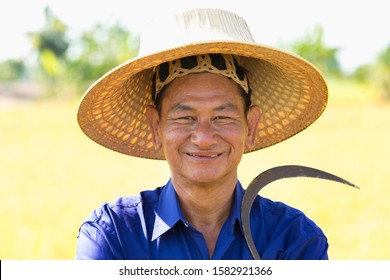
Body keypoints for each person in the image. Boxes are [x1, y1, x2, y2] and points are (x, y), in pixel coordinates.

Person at [75, 8, 329, 260]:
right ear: (156, 127)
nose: (204, 138)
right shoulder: (114, 235)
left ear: (250, 126)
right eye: (185, 118)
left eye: (222, 117)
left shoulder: (294, 239)